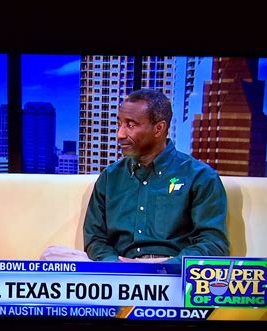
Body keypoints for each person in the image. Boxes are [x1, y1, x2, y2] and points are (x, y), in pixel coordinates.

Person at [83, 88, 229, 266]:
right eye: (119, 124)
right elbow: (95, 238)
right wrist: (114, 265)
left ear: (159, 128)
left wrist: (167, 267)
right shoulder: (110, 176)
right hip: (118, 271)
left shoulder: (200, 177)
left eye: (130, 125)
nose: (120, 134)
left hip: (172, 273)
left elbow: (213, 244)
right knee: (53, 255)